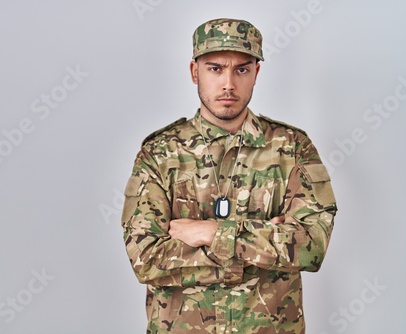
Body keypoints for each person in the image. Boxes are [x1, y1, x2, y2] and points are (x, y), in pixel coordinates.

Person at [121, 17, 337, 334]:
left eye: (241, 69)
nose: (228, 84)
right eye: (215, 68)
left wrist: (211, 232)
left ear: (256, 73)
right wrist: (264, 244)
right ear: (195, 72)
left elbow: (311, 247)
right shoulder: (160, 153)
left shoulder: (291, 149)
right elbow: (145, 259)